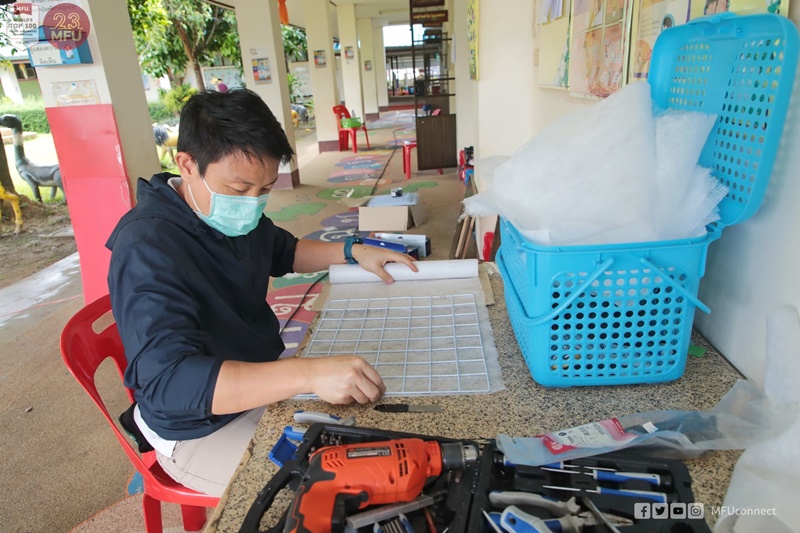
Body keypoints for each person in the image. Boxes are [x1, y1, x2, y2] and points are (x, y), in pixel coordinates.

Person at [106, 89, 417, 497]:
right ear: (187, 165)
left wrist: (352, 251)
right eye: (240, 189)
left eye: (265, 189)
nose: (253, 204)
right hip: (199, 427)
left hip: (260, 383)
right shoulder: (146, 247)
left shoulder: (227, 214)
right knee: (330, 489)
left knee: (375, 441)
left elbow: (285, 251)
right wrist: (309, 373)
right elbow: (171, 383)